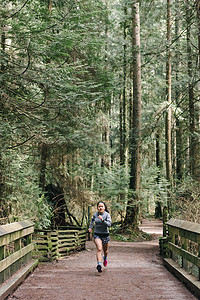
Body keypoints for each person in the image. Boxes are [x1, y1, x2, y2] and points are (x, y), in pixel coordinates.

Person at [88, 201, 112, 273]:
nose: (100, 208)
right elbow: (92, 221)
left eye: (102, 206)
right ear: (97, 208)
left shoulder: (107, 215)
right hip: (97, 234)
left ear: (104, 207)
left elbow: (109, 224)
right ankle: (99, 265)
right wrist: (90, 227)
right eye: (99, 206)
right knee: (99, 249)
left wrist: (102, 220)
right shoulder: (95, 215)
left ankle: (105, 257)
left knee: (106, 251)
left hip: (105, 235)